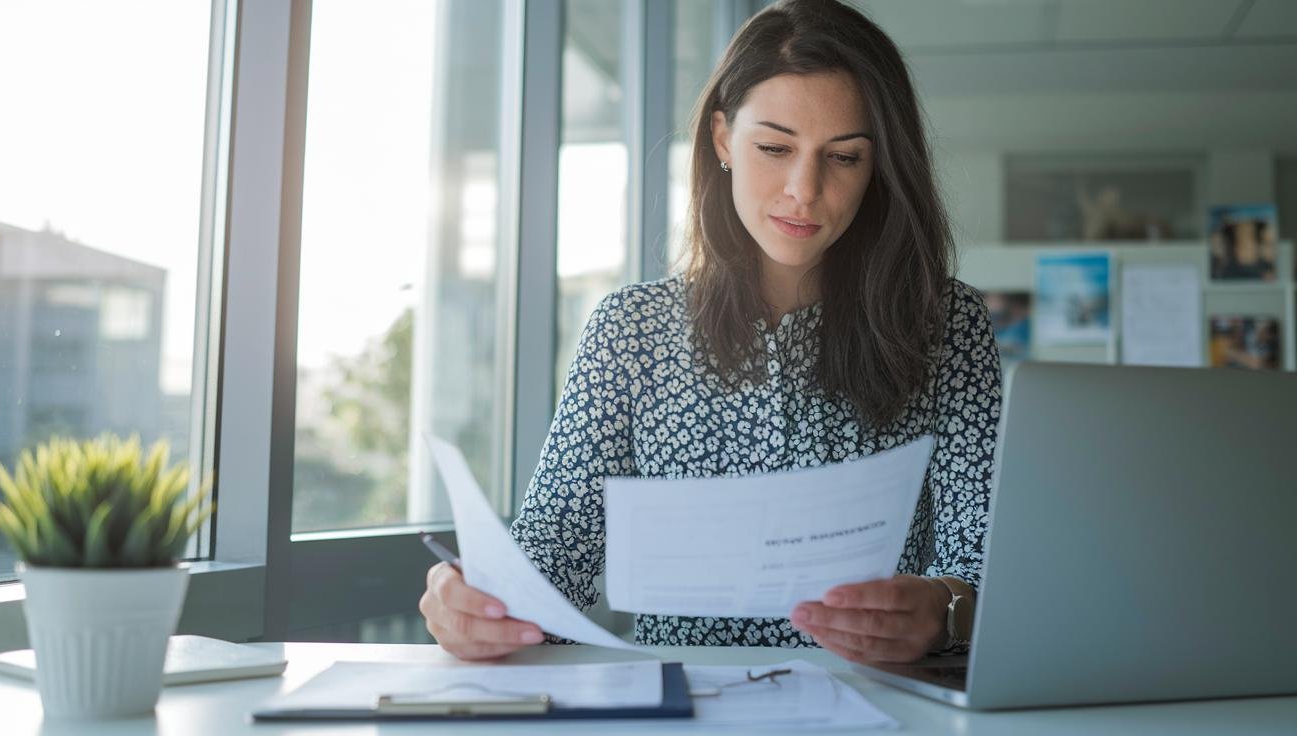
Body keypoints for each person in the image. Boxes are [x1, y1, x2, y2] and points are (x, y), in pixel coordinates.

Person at [419, 0, 1001, 665]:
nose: (803, 190)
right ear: (723, 139)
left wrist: (941, 611)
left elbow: (983, 567)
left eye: (843, 159)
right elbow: (553, 559)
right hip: (684, 707)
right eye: (774, 148)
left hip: (882, 703)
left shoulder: (944, 325)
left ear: (879, 168)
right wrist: (476, 602)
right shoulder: (631, 332)